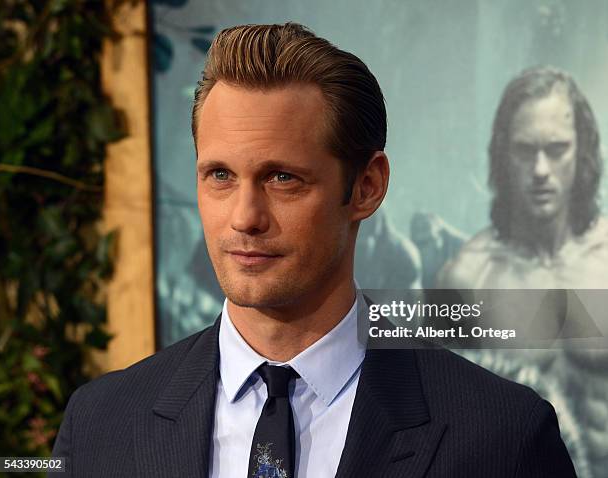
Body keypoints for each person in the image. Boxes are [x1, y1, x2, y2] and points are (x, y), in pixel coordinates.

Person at [50, 24, 576, 477]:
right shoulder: (101, 425)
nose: (244, 217)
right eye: (220, 176)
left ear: (367, 187)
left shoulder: (502, 437)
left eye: (282, 178)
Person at [438, 66, 608, 290]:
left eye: (556, 149)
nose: (540, 170)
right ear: (504, 155)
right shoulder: (469, 278)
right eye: (525, 150)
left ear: (581, 151)